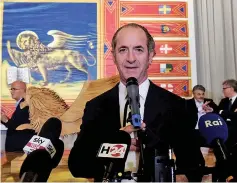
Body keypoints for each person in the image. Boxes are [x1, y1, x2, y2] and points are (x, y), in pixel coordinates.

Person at [68, 23, 204, 181]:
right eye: (123, 50)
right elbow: (77, 166)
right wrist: (114, 146)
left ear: (151, 55)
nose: (130, 58)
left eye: (138, 49)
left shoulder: (178, 106)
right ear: (113, 56)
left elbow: (194, 167)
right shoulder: (95, 106)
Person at [1, 80, 35, 153]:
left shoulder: (26, 105)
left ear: (23, 90)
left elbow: (21, 126)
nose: (11, 91)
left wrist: (6, 120)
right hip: (17, 149)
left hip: (20, 149)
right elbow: (16, 123)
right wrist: (4, 119)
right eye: (11, 89)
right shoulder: (21, 104)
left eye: (14, 89)